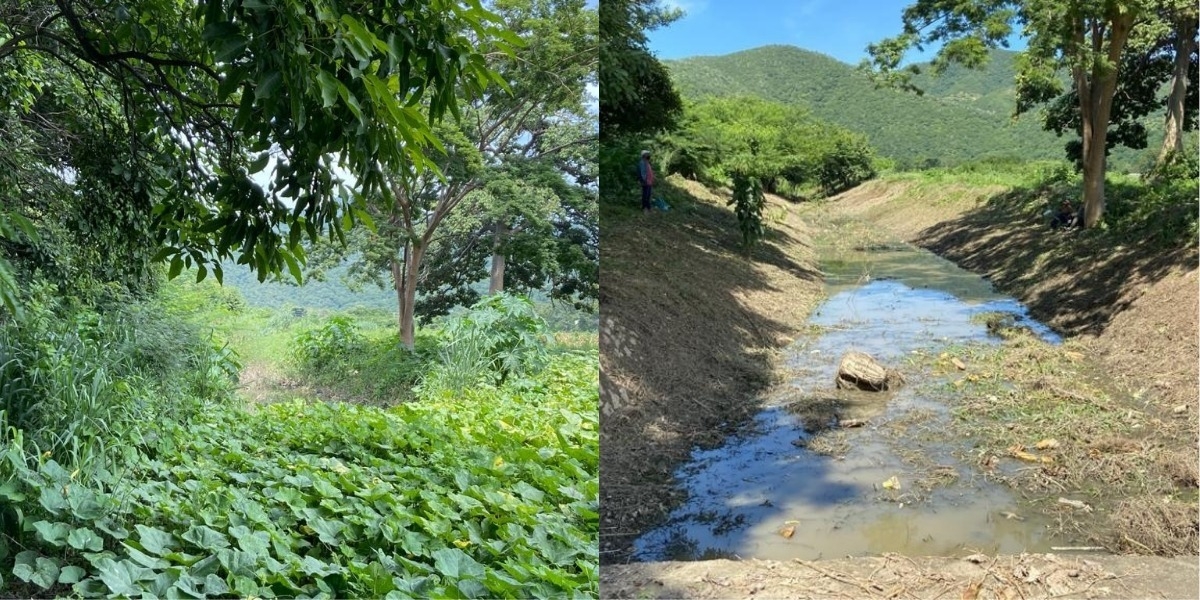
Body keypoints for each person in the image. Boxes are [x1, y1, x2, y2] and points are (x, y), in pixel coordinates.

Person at [637, 150, 655, 214]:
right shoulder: (642, 163)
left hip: (649, 182)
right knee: (645, 195)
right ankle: (644, 208)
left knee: (648, 195)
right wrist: (643, 180)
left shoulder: (647, 162)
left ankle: (648, 208)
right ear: (644, 155)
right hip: (646, 182)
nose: (649, 155)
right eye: (647, 154)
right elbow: (642, 173)